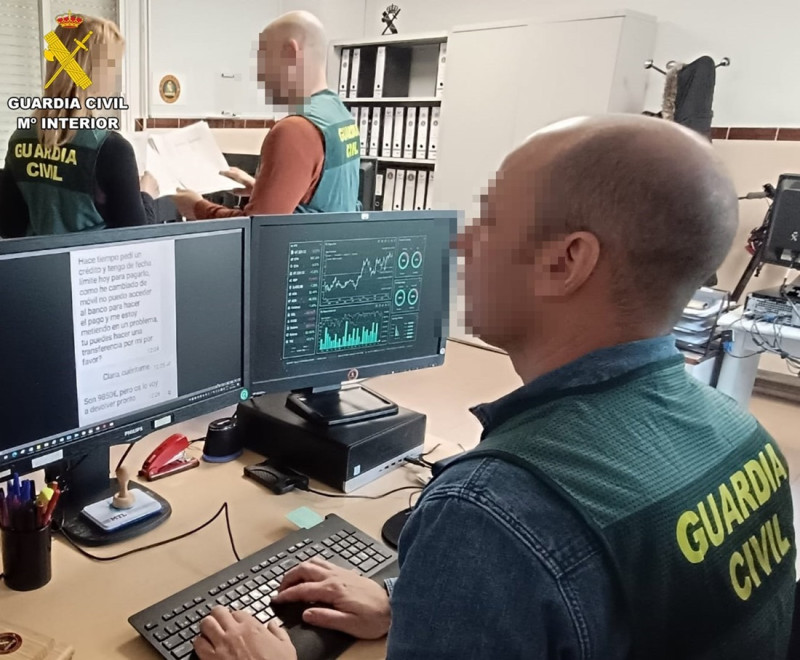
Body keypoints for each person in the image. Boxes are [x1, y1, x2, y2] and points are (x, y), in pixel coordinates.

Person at [193, 115, 797, 659]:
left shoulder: (490, 513)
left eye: (490, 221)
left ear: (566, 261)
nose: (462, 241)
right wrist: (412, 605)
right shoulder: (742, 434)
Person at [171, 11, 360, 220]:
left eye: (263, 58)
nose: (259, 75)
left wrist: (195, 206)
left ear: (290, 52)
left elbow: (257, 232)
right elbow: (322, 199)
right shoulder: (340, 115)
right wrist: (260, 189)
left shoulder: (295, 130)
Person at [0, 14, 158, 238]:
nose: (116, 77)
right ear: (96, 73)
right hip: (96, 270)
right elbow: (138, 240)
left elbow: (10, 228)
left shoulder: (20, 138)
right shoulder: (111, 149)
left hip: (38, 270)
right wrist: (146, 194)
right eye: (113, 66)